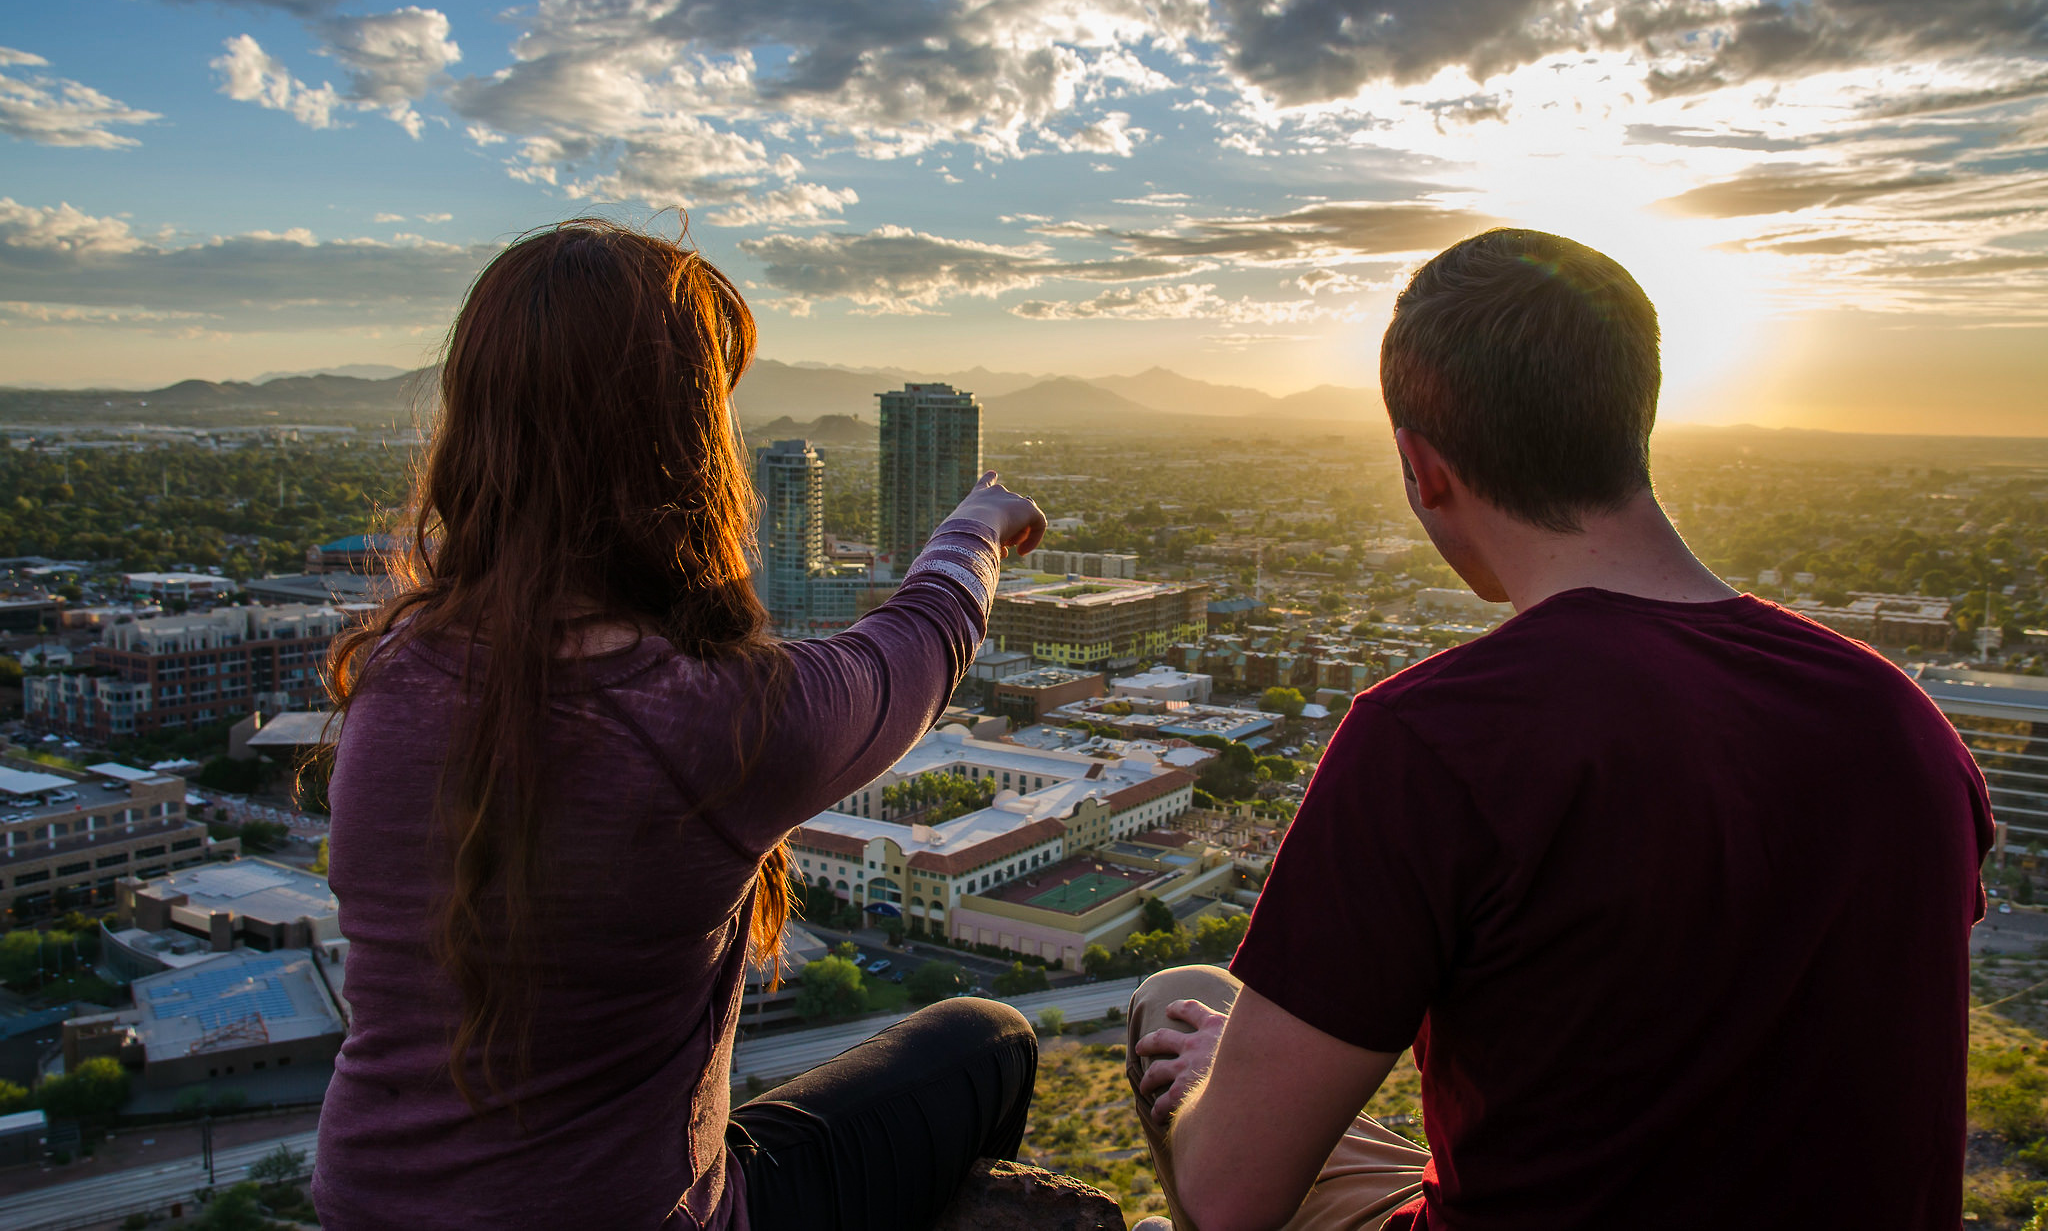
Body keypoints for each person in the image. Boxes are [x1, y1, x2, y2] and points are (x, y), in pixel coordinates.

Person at [1126, 228, 1989, 1230]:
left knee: (1177, 1004)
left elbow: (1234, 1200)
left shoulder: (1438, 740)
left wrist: (1208, 1086)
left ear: (1420, 466)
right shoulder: (1897, 717)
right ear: (1633, 426)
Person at [310, 220, 1048, 1231]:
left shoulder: (393, 675)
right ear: (684, 445)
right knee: (989, 1042)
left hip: (367, 1210)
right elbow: (918, 647)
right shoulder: (711, 721)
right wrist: (978, 527)